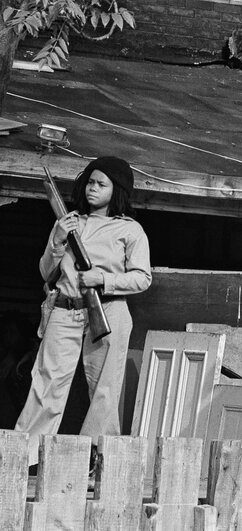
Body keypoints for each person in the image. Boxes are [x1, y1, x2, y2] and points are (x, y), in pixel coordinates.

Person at [16, 156, 152, 466]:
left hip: (108, 310)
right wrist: (58, 239)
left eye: (101, 184)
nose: (92, 188)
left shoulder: (130, 231)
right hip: (64, 309)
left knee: (105, 386)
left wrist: (103, 279)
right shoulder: (68, 222)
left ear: (115, 191)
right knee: (46, 381)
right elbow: (45, 271)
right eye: (90, 182)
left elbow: (143, 277)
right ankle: (23, 456)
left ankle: (98, 459)